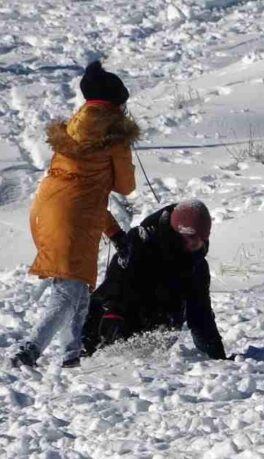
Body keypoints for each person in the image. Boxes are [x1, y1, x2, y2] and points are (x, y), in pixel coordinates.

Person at [11, 61, 138, 368]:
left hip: (47, 210)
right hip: (73, 218)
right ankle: (30, 349)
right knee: (68, 291)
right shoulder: (114, 136)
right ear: (116, 104)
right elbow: (125, 186)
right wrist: (125, 152)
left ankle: (72, 355)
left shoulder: (73, 128)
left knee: (78, 288)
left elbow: (84, 195)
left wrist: (115, 233)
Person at [81, 200, 228, 361]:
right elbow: (118, 281)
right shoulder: (141, 242)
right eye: (191, 238)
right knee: (103, 310)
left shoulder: (197, 266)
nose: (196, 244)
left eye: (201, 239)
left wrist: (217, 358)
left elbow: (200, 314)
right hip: (113, 315)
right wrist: (112, 313)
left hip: (153, 334)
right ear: (177, 232)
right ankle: (86, 355)